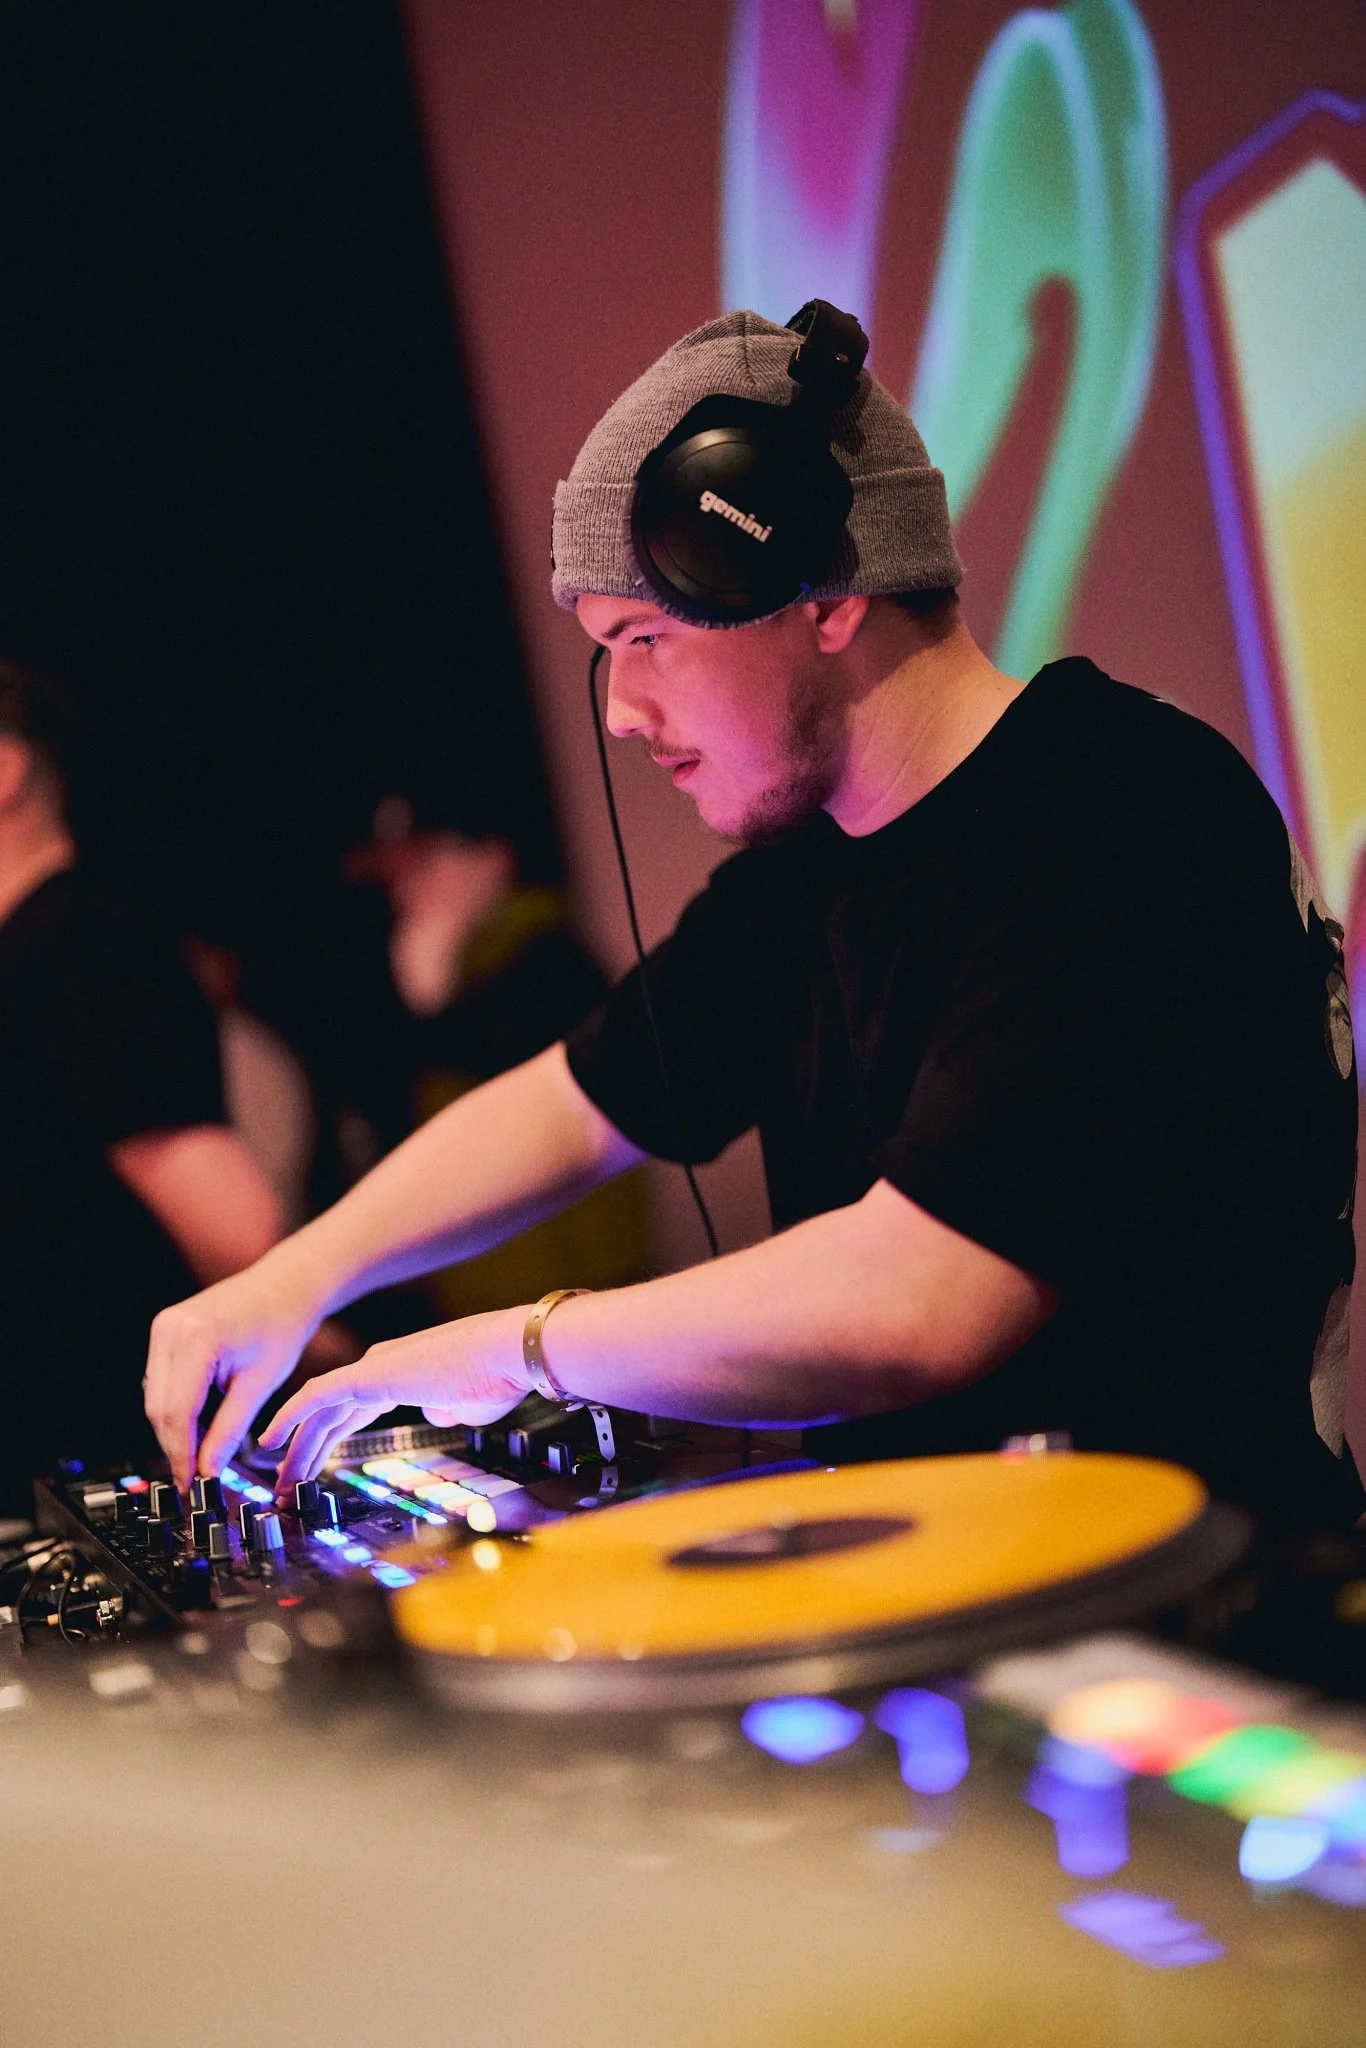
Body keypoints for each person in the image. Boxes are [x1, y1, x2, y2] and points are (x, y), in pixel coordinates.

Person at [143, 311, 1362, 1531]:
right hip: (971, 1603)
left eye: (647, 639)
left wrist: (512, 1347)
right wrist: (295, 1277)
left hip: (1202, 1624)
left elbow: (922, 1299)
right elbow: (576, 1104)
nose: (620, 710)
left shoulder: (1120, 810)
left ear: (822, 595)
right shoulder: (808, 874)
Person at [0, 659, 312, 1514]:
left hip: (104, 1477)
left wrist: (341, 1364)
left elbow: (237, 1231)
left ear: (6, 768)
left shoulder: (84, 953)